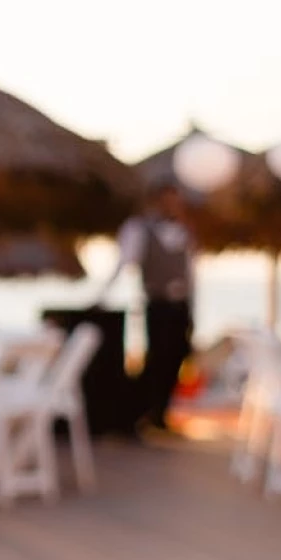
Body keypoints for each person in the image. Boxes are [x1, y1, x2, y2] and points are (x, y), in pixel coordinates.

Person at [101, 182, 197, 434]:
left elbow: (191, 273)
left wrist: (194, 309)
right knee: (155, 358)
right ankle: (139, 415)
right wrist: (102, 297)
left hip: (181, 305)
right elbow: (124, 263)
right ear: (157, 200)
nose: (173, 205)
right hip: (158, 304)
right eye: (168, 199)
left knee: (177, 356)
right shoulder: (140, 229)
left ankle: (160, 414)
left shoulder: (185, 230)